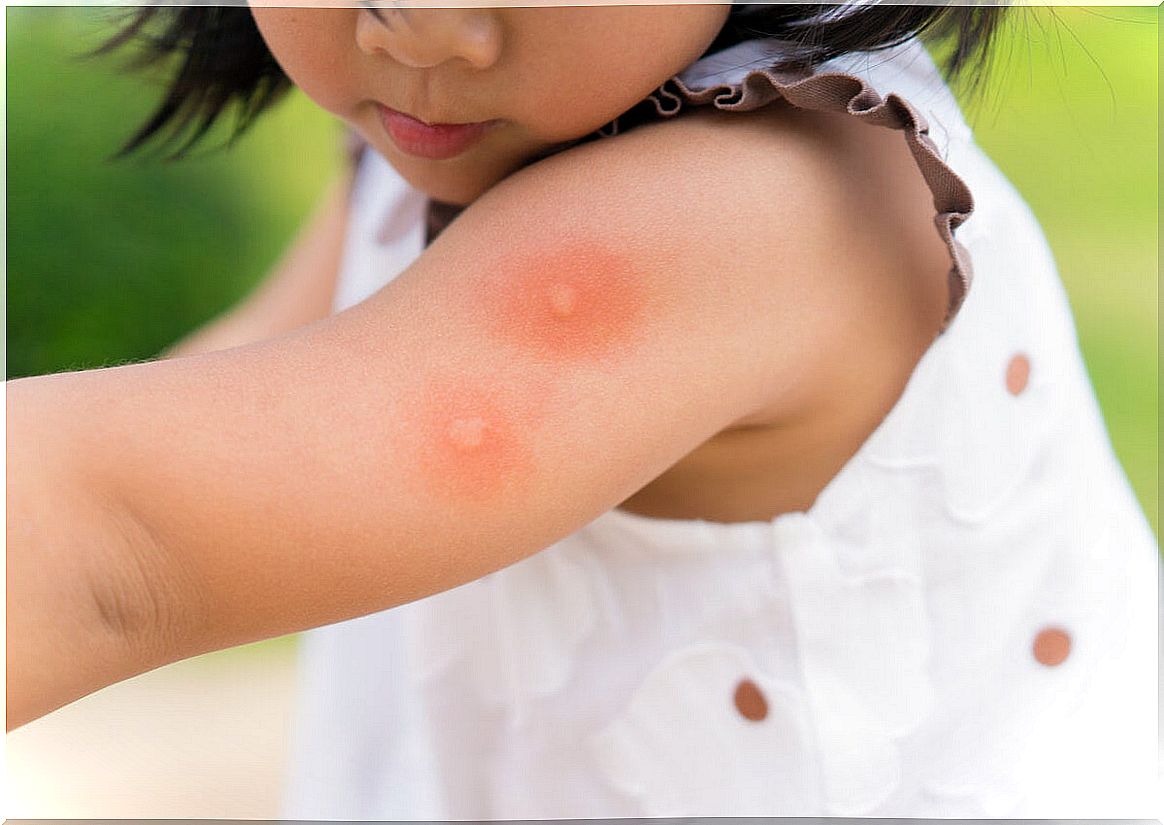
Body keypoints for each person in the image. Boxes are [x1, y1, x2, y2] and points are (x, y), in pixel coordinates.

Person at [6, 1, 1158, 817]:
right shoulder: (474, 130)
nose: (422, 24)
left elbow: (114, 542)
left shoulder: (752, 208)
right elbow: (229, 391)